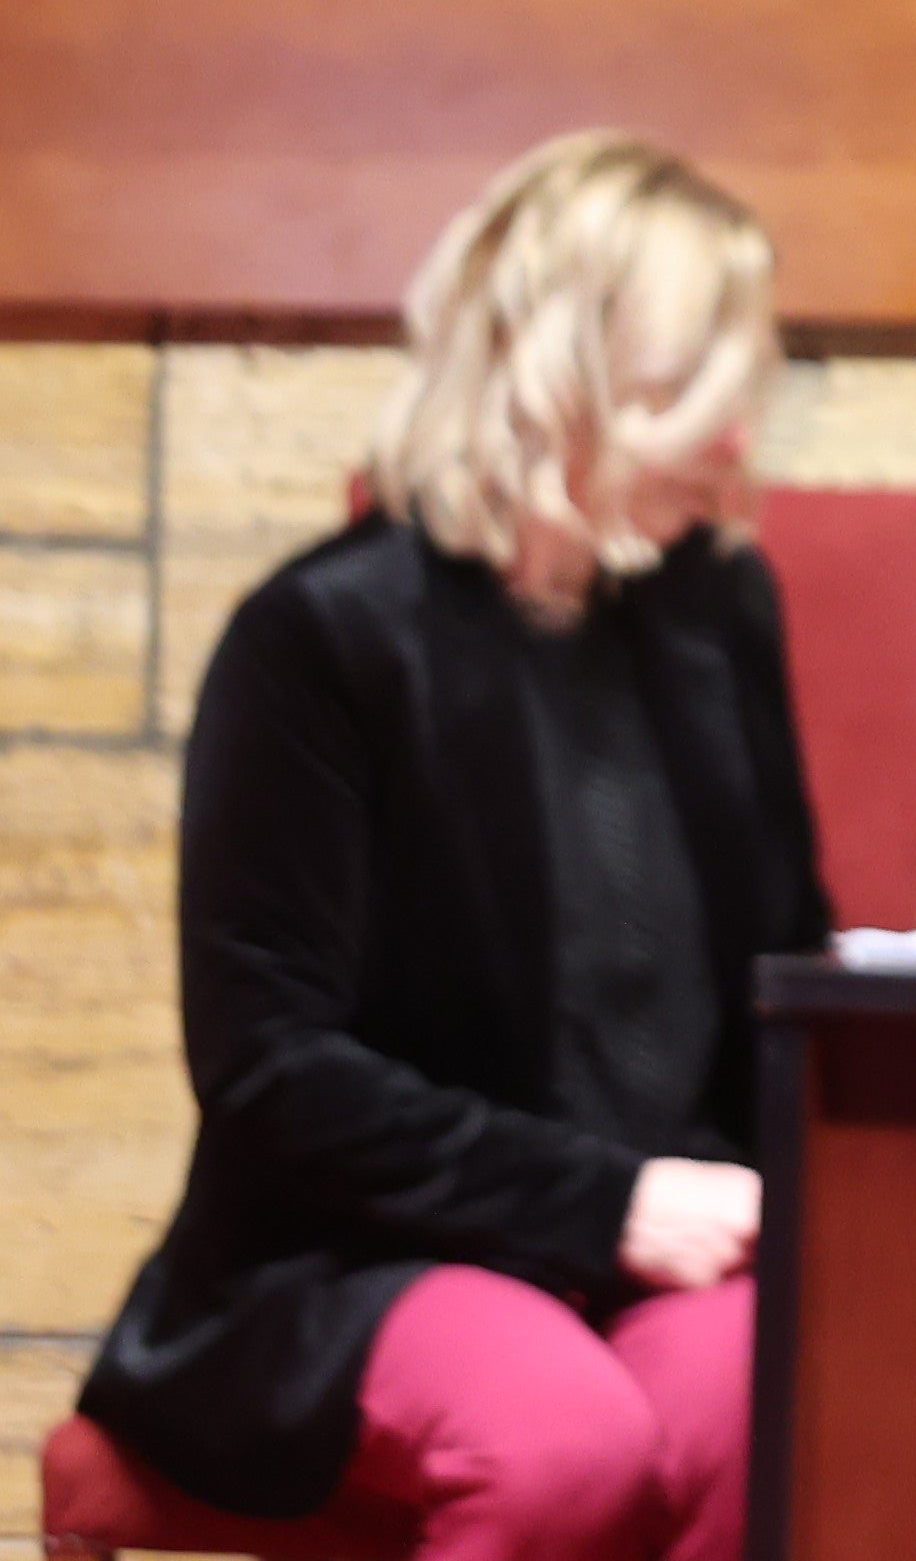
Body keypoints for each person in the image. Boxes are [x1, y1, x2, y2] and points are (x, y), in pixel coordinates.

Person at [83, 132, 829, 1561]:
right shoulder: (323, 641)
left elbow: (786, 960)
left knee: (765, 1397)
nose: (736, 450)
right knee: (562, 1448)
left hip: (662, 1236)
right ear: (563, 385)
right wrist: (606, 1202)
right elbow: (271, 1073)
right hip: (359, 1251)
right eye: (692, 401)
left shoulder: (718, 613)